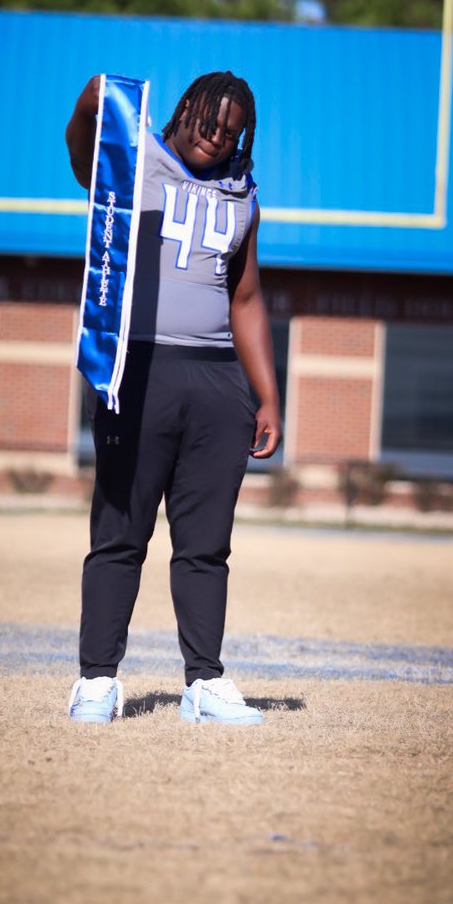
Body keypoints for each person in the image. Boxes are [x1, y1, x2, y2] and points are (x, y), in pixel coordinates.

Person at [65, 70, 282, 725]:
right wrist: (91, 100)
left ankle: (204, 683)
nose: (215, 139)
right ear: (182, 110)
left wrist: (266, 395)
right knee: (120, 536)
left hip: (218, 384)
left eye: (229, 131)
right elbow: (81, 149)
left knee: (206, 545)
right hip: (140, 370)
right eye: (206, 122)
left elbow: (244, 298)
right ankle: (97, 679)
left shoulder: (243, 195)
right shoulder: (133, 164)